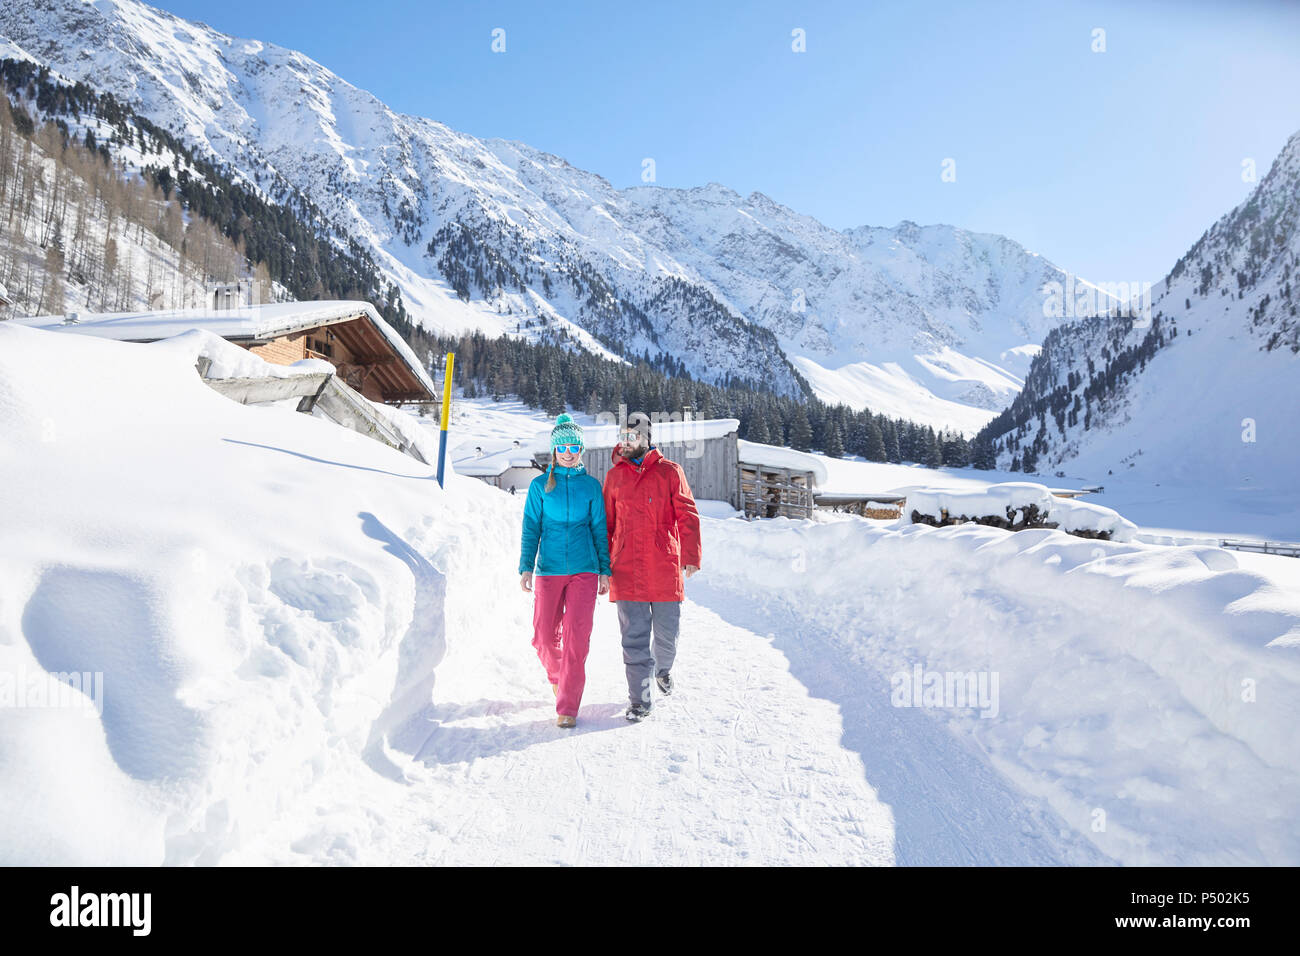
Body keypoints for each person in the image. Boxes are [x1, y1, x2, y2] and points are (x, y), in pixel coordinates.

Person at [602, 412, 701, 721]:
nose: (626, 441)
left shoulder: (671, 472)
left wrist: (691, 556)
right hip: (626, 569)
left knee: (667, 636)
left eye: (632, 436)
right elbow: (605, 524)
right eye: (623, 436)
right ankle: (640, 701)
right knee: (633, 640)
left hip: (664, 568)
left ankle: (663, 669)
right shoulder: (614, 477)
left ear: (647, 438)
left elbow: (688, 514)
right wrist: (603, 565)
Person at [519, 414, 611, 728]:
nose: (568, 452)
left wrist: (604, 570)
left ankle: (568, 706)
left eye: (574, 446)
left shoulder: (591, 486)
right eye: (562, 447)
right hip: (549, 569)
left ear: (581, 450)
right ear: (555, 451)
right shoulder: (539, 486)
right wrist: (526, 567)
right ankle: (559, 677)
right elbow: (531, 527)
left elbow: (600, 528)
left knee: (577, 638)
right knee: (543, 638)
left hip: (584, 570)